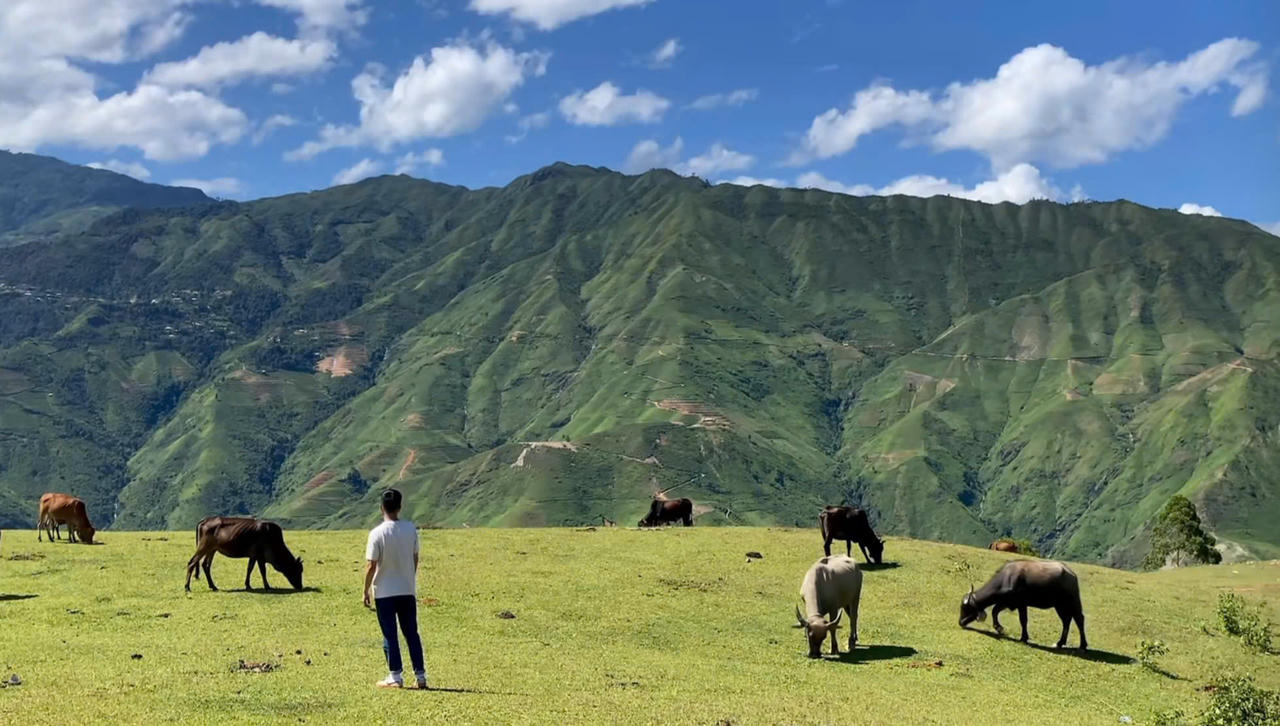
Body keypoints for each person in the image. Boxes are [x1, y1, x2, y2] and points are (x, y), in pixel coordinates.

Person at [363, 488, 427, 689]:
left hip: (384, 591)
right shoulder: (410, 529)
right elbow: (415, 558)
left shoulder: (376, 534)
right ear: (400, 507)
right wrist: (409, 576)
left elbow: (371, 565)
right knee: (411, 633)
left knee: (390, 634)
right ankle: (421, 675)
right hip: (407, 589)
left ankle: (395, 676)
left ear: (381, 508)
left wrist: (365, 590)